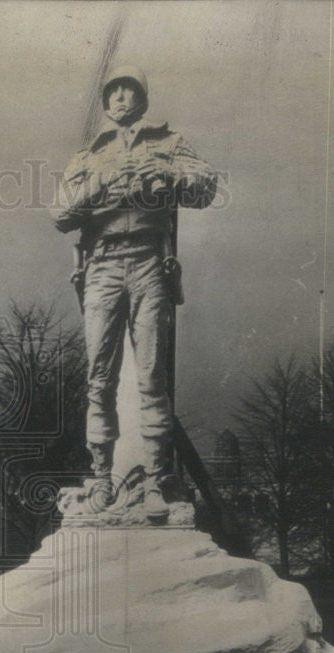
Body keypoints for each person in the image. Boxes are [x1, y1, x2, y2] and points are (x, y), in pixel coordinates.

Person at [50, 64, 217, 520]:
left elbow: (206, 185)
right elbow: (60, 212)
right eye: (114, 91)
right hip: (102, 264)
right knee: (99, 378)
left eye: (130, 90)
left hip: (149, 261)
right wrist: (104, 182)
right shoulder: (90, 153)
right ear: (106, 100)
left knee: (152, 376)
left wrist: (164, 175)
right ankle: (101, 478)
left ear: (142, 97)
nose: (122, 97)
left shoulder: (167, 141)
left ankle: (158, 479)